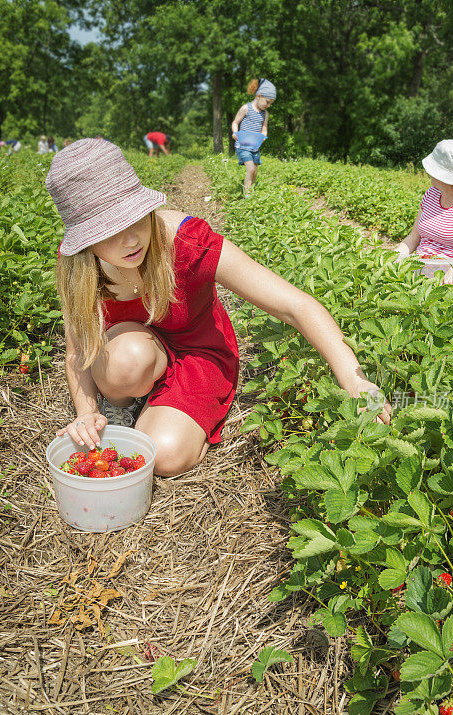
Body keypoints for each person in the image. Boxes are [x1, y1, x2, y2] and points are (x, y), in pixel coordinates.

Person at [45, 139, 390, 477]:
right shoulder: (79, 266)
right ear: (84, 241)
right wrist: (86, 411)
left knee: (163, 456)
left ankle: (170, 410)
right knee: (126, 359)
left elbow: (294, 305)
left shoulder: (186, 242)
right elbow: (79, 350)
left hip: (199, 351)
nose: (130, 240)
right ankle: (119, 408)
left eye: (135, 219)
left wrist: (354, 379)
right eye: (109, 232)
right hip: (132, 351)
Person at [395, 140, 453, 299]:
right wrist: (394, 256)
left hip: (447, 275)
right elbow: (413, 237)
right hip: (419, 266)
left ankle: (430, 297)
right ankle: (423, 295)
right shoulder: (431, 194)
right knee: (386, 263)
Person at [232, 78, 275, 198]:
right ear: (259, 96)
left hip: (255, 146)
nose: (268, 105)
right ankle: (247, 195)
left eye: (271, 103)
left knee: (255, 172)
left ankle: (252, 191)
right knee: (250, 169)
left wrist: (264, 136)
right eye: (267, 102)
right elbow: (235, 122)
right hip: (243, 145)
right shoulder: (246, 108)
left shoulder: (265, 114)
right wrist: (235, 133)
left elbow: (264, 127)